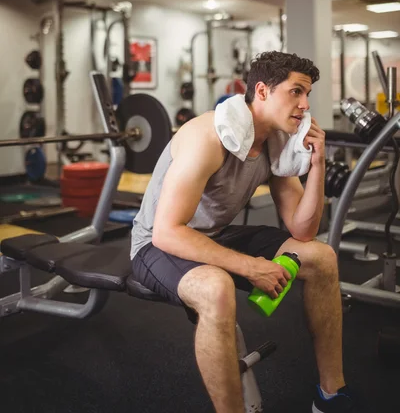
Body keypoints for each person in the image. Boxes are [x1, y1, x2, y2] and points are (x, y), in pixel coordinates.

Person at [130, 51, 359, 413]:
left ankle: (331, 395)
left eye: (308, 94)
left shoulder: (275, 141)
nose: (305, 105)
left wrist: (317, 164)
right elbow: (167, 232)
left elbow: (302, 229)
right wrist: (250, 267)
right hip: (156, 245)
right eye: (296, 92)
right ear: (264, 91)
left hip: (213, 235)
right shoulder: (208, 136)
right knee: (216, 288)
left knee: (321, 257)